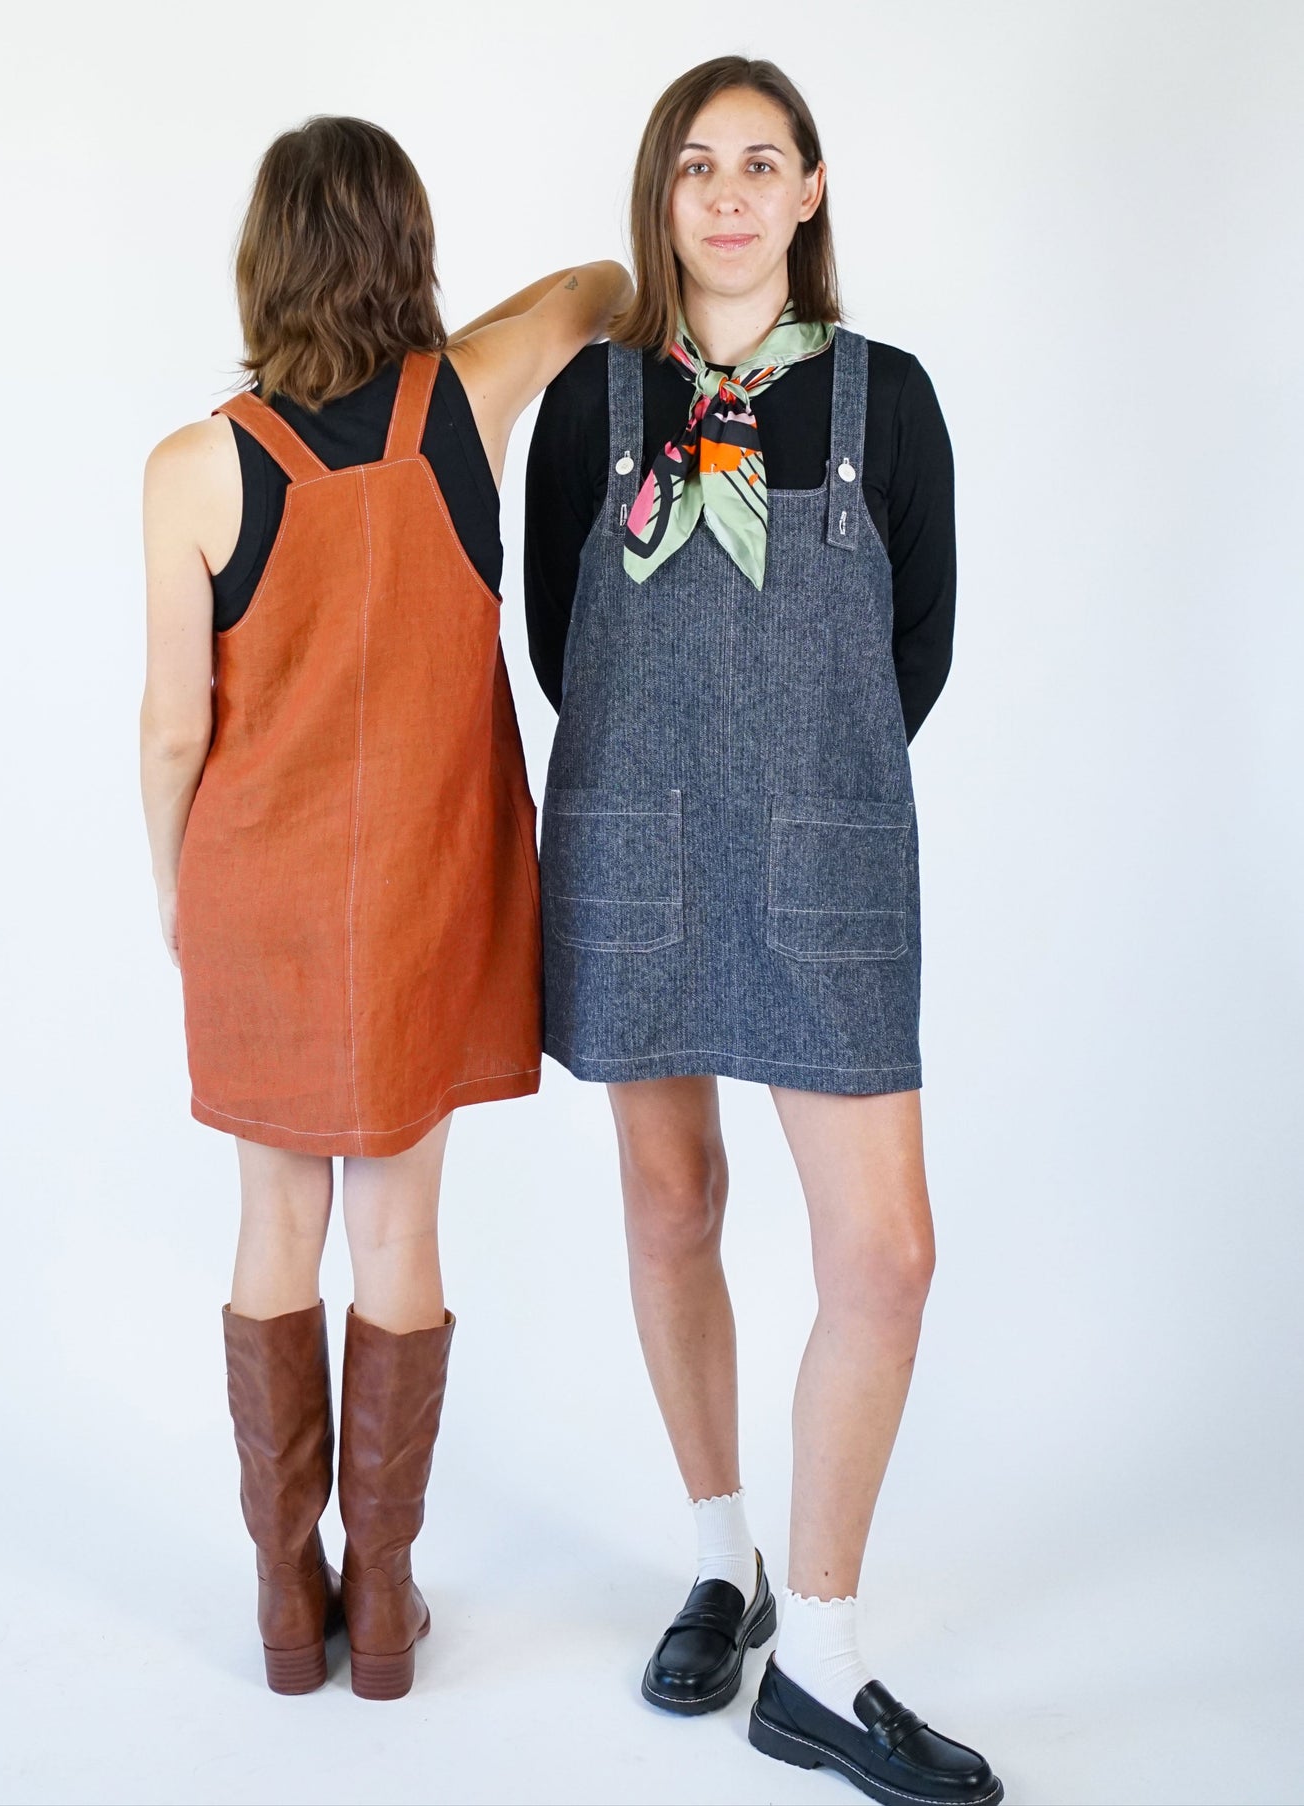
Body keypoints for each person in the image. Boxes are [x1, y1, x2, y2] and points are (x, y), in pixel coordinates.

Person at [525, 58, 1001, 1804]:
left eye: (760, 164)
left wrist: (792, 777)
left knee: (884, 1254)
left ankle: (820, 1646)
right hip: (633, 843)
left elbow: (914, 654)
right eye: (694, 167)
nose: (726, 196)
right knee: (672, 1204)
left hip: (830, 853)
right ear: (660, 198)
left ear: (810, 193)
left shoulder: (897, 401)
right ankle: (721, 1559)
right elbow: (558, 654)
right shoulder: (588, 405)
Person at [140, 114, 631, 1699]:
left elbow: (169, 730)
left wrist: (177, 899)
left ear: (261, 258)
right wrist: (490, 323)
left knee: (272, 1219)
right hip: (425, 897)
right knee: (400, 1230)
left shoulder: (192, 465)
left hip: (254, 902)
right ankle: (389, 1601)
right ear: (408, 248)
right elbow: (600, 283)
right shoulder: (468, 401)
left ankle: (289, 1602)